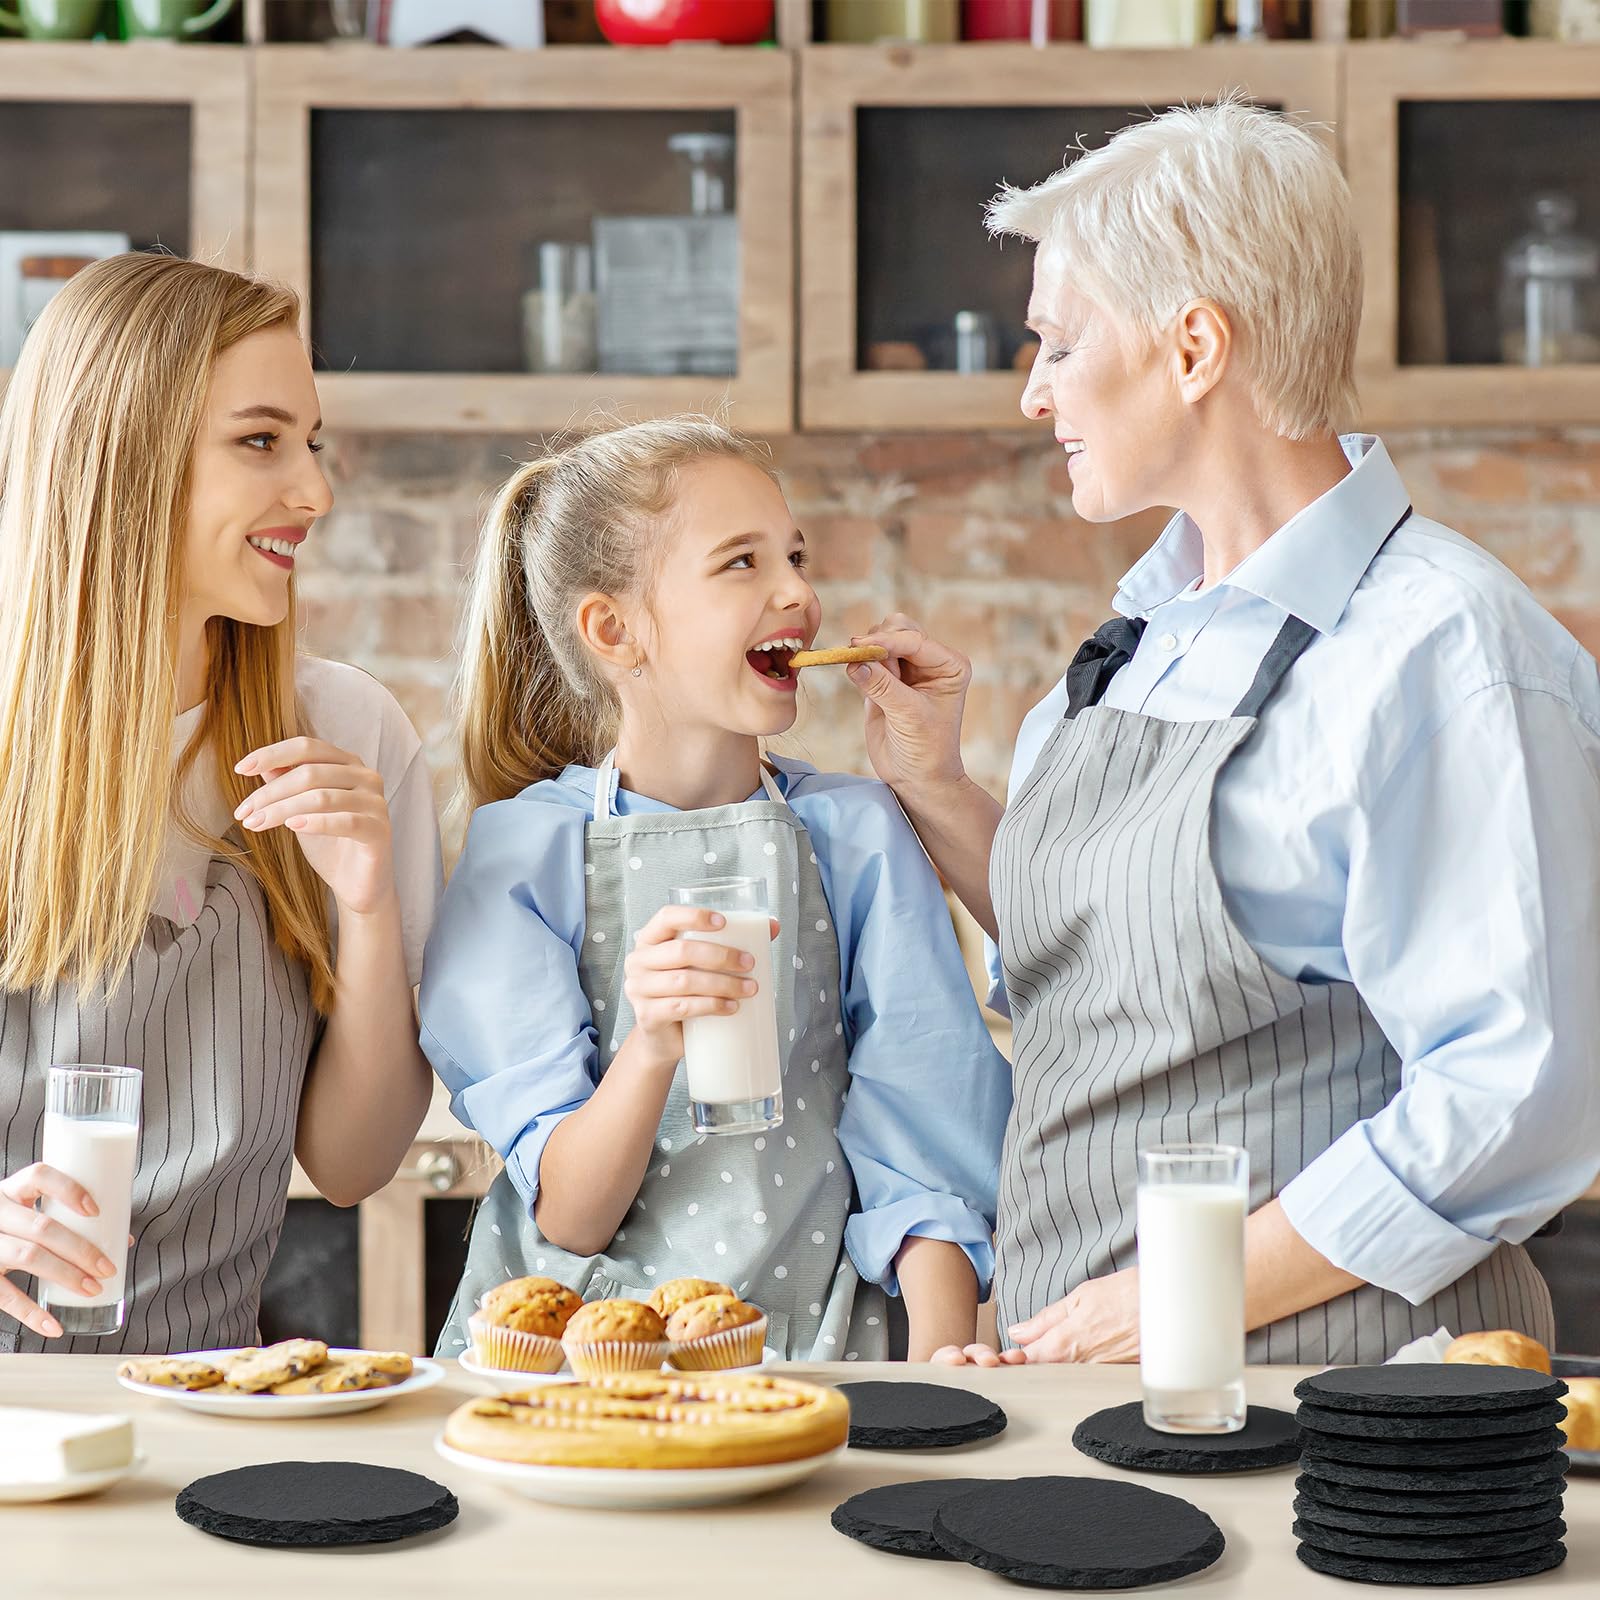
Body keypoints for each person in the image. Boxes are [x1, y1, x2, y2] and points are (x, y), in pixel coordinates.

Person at [846, 102, 1600, 1366]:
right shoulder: (1152, 631)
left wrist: (1178, 1292)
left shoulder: (1442, 649)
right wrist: (939, 790)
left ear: (1193, 347)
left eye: (1058, 344)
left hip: (1346, 1401)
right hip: (1098, 1378)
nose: (1032, 394)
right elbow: (1114, 973)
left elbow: (1520, 1089)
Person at [421, 416, 1009, 1362]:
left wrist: (939, 1369)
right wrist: (651, 1045)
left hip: (808, 1352)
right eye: (742, 563)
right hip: (574, 1360)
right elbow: (572, 1213)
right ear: (615, 630)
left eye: (796, 557)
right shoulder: (523, 853)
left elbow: (925, 1135)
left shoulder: (857, 832)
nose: (800, 594)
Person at [0, 254, 442, 1352]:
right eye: (260, 441)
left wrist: (373, 907)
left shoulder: (347, 732)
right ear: (125, 455)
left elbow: (351, 1165)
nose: (315, 491)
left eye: (311, 441)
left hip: (214, 1406)